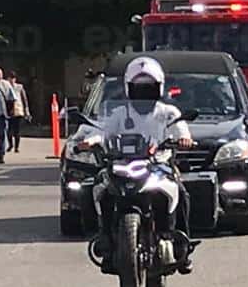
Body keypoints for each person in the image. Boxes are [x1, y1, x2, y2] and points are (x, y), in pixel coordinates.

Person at [83, 56, 195, 273]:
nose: (144, 92)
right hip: (123, 164)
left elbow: (181, 130)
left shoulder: (168, 113)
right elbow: (103, 131)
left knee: (181, 193)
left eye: (149, 87)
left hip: (159, 165)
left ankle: (181, 244)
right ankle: (105, 239)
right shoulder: (119, 113)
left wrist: (184, 139)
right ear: (128, 88)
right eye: (139, 87)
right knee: (99, 188)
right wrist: (91, 140)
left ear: (159, 87)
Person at [6, 72, 32, 153]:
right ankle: (10, 145)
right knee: (9, 130)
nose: (11, 80)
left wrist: (26, 110)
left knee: (17, 131)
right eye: (10, 78)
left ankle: (17, 147)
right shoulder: (5, 87)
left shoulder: (19, 87)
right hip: (8, 111)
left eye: (13, 78)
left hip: (18, 111)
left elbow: (24, 99)